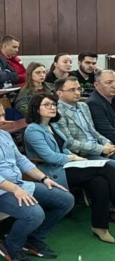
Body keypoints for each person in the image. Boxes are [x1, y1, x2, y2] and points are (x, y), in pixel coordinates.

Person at [0, 99, 74, 261]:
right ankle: (10, 246)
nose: (3, 120)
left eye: (3, 115)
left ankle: (33, 238)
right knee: (34, 214)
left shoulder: (3, 134)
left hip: (18, 185)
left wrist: (44, 178)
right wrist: (15, 189)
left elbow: (21, 160)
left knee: (66, 199)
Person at [24, 93, 115, 243]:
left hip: (66, 166)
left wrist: (74, 157)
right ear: (36, 108)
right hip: (51, 172)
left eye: (54, 104)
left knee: (100, 182)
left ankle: (100, 227)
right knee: (106, 168)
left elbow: (64, 148)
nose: (52, 107)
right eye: (47, 105)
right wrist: (73, 158)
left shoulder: (53, 125)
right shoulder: (33, 130)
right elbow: (50, 157)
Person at [53, 77, 115, 164]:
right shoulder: (57, 111)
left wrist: (107, 144)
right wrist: (100, 149)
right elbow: (69, 143)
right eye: (72, 90)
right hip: (82, 154)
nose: (77, 93)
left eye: (79, 89)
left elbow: (93, 131)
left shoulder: (83, 106)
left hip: (100, 148)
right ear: (59, 93)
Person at [88, 69, 115, 142]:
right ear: (96, 85)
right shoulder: (94, 103)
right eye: (109, 82)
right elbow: (108, 134)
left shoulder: (112, 98)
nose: (114, 85)